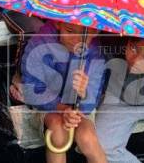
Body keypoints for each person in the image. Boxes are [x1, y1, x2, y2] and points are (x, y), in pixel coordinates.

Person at [21, 21, 107, 163]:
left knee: (88, 137)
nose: (76, 40)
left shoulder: (95, 53)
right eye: (70, 30)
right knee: (58, 131)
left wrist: (83, 94)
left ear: (95, 33)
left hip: (78, 110)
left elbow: (92, 99)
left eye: (84, 35)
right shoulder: (40, 43)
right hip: (46, 106)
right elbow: (33, 89)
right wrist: (63, 109)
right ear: (58, 24)